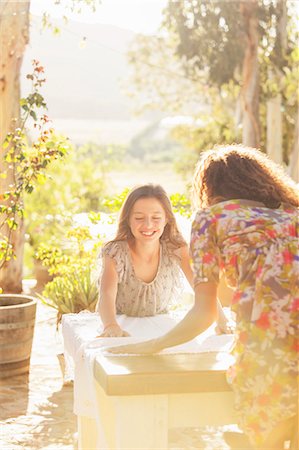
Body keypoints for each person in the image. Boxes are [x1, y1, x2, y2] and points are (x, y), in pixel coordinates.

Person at [107, 146, 299, 450]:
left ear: (209, 187)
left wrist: (153, 345)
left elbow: (204, 312)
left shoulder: (212, 218)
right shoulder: (293, 213)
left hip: (270, 348)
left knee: (267, 429)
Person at [96, 183, 229, 337]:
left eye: (156, 218)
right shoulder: (115, 252)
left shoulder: (175, 247)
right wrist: (111, 325)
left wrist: (222, 320)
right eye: (139, 217)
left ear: (167, 219)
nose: (148, 225)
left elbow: (201, 287)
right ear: (128, 220)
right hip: (121, 322)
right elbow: (107, 293)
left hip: (160, 322)